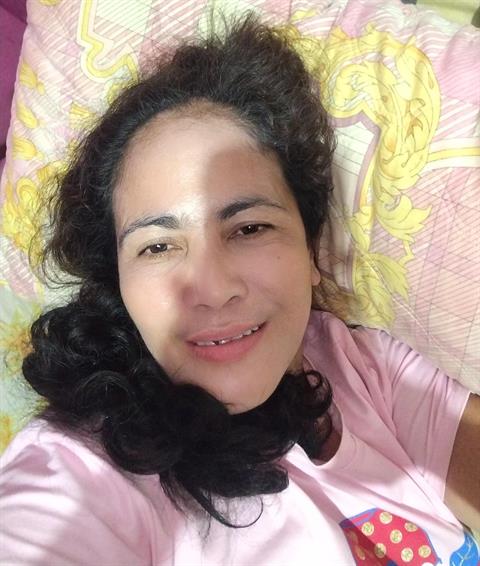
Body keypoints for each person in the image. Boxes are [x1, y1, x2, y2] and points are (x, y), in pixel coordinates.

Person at [0, 14, 479, 565]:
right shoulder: (83, 468)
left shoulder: (365, 369)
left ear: (311, 252)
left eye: (249, 228)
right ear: (120, 289)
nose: (212, 289)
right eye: (157, 247)